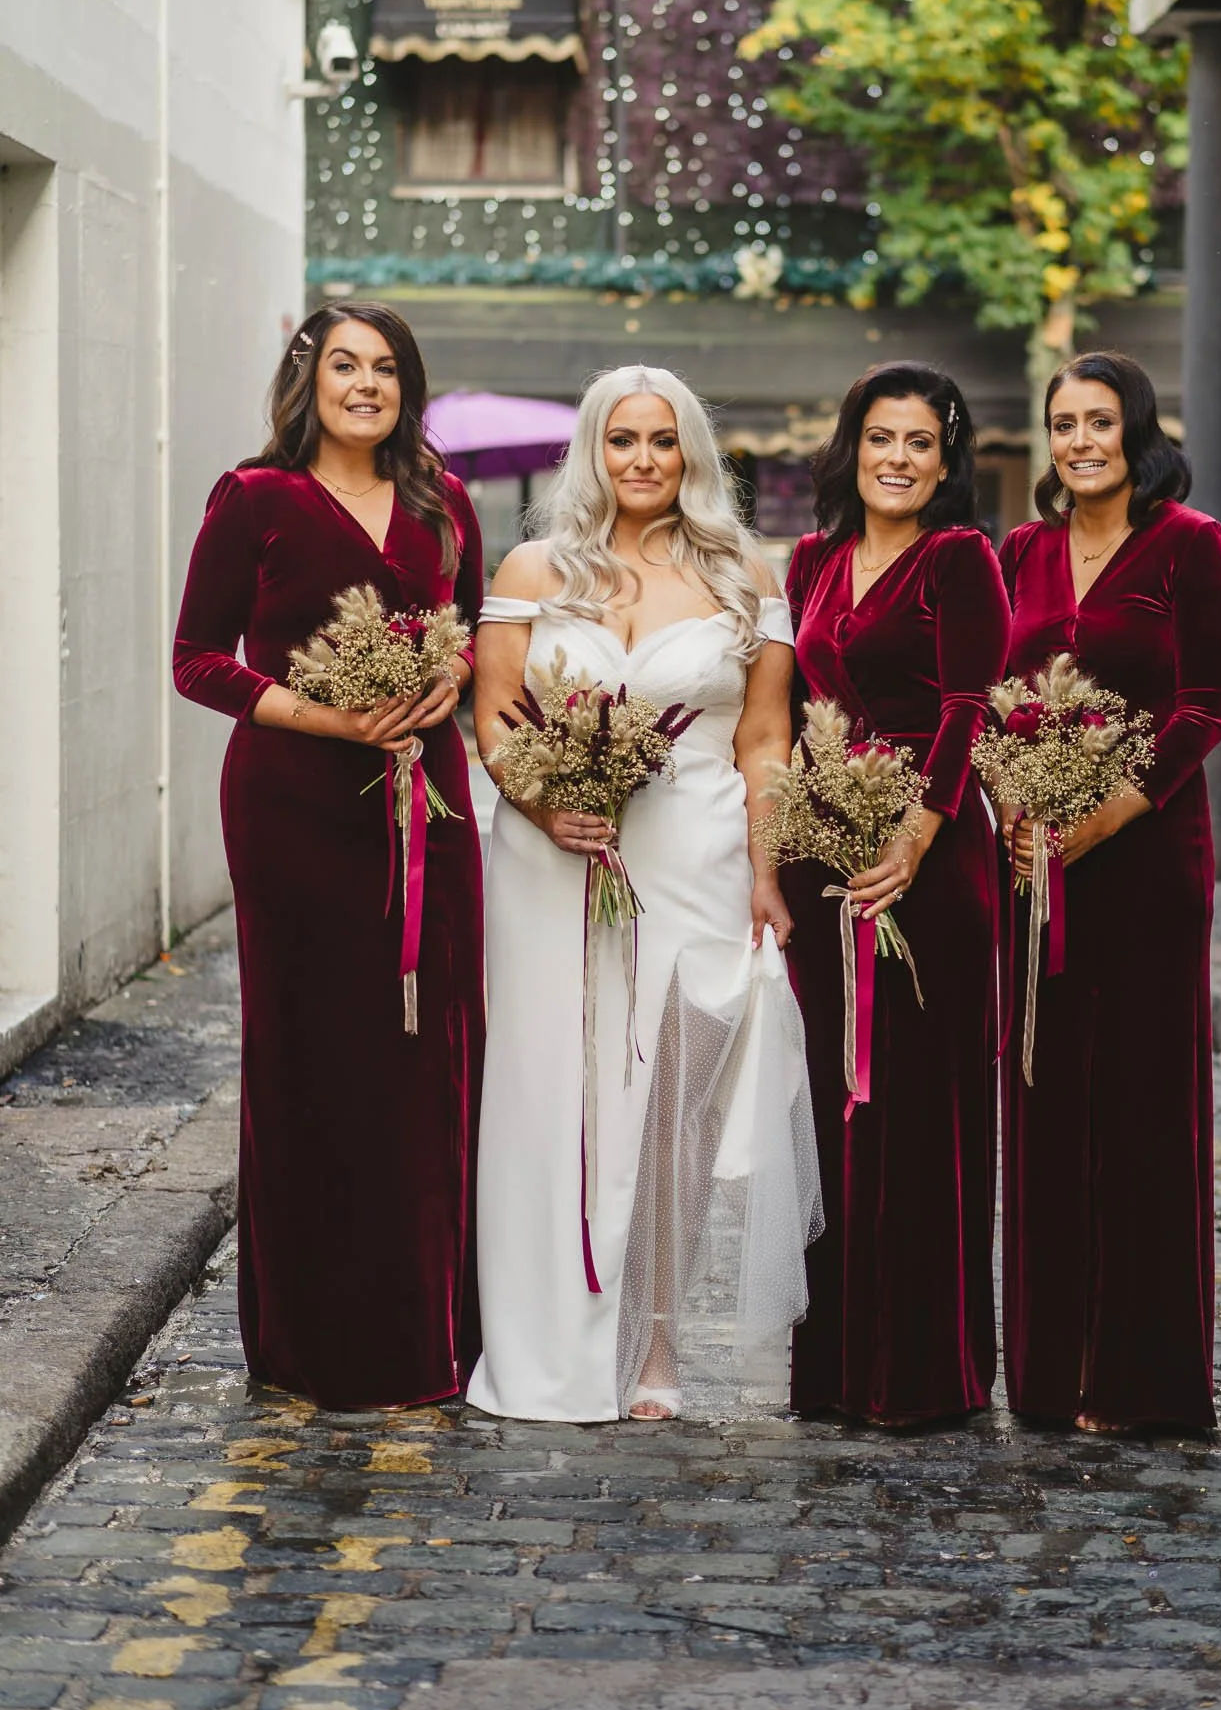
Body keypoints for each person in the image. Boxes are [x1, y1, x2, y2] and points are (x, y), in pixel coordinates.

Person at [468, 365, 821, 1424]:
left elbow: (766, 740)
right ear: (594, 450)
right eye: (622, 440)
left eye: (663, 442)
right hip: (551, 867)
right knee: (557, 1092)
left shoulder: (745, 574)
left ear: (692, 455)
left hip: (701, 855)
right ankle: (542, 1334)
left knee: (678, 1098)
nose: (642, 461)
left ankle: (656, 1342)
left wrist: (766, 871)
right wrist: (541, 810)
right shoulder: (534, 566)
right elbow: (493, 719)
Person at [172, 303, 487, 1410]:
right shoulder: (252, 498)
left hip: (428, 801)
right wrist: (322, 716)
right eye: (344, 366)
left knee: (427, 1052)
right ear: (306, 381)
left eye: (386, 368)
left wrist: (445, 685)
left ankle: (424, 1331)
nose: (366, 385)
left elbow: (471, 633)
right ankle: (314, 1340)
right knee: (313, 1054)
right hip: (295, 808)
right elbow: (197, 661)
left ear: (408, 385)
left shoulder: (441, 502)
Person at [999, 350, 1221, 1433]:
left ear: (1138, 434)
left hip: (1147, 858)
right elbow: (999, 697)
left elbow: (1204, 707)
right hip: (1033, 863)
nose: (1080, 440)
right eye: (1064, 423)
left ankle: (1142, 1378)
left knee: (1142, 1108)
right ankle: (1054, 1376)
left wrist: (1102, 815)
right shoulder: (1021, 550)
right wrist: (1013, 805)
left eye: (1101, 421)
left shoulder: (1192, 547)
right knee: (1047, 1101)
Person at [781, 362, 1009, 1426]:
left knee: (922, 1114)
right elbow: (792, 713)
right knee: (833, 1111)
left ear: (946, 458)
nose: (899, 460)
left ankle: (923, 1371)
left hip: (932, 860)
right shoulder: (812, 561)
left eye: (921, 443)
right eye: (882, 438)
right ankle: (835, 1370)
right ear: (852, 445)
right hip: (826, 858)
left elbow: (968, 705)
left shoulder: (962, 559)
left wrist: (918, 834)